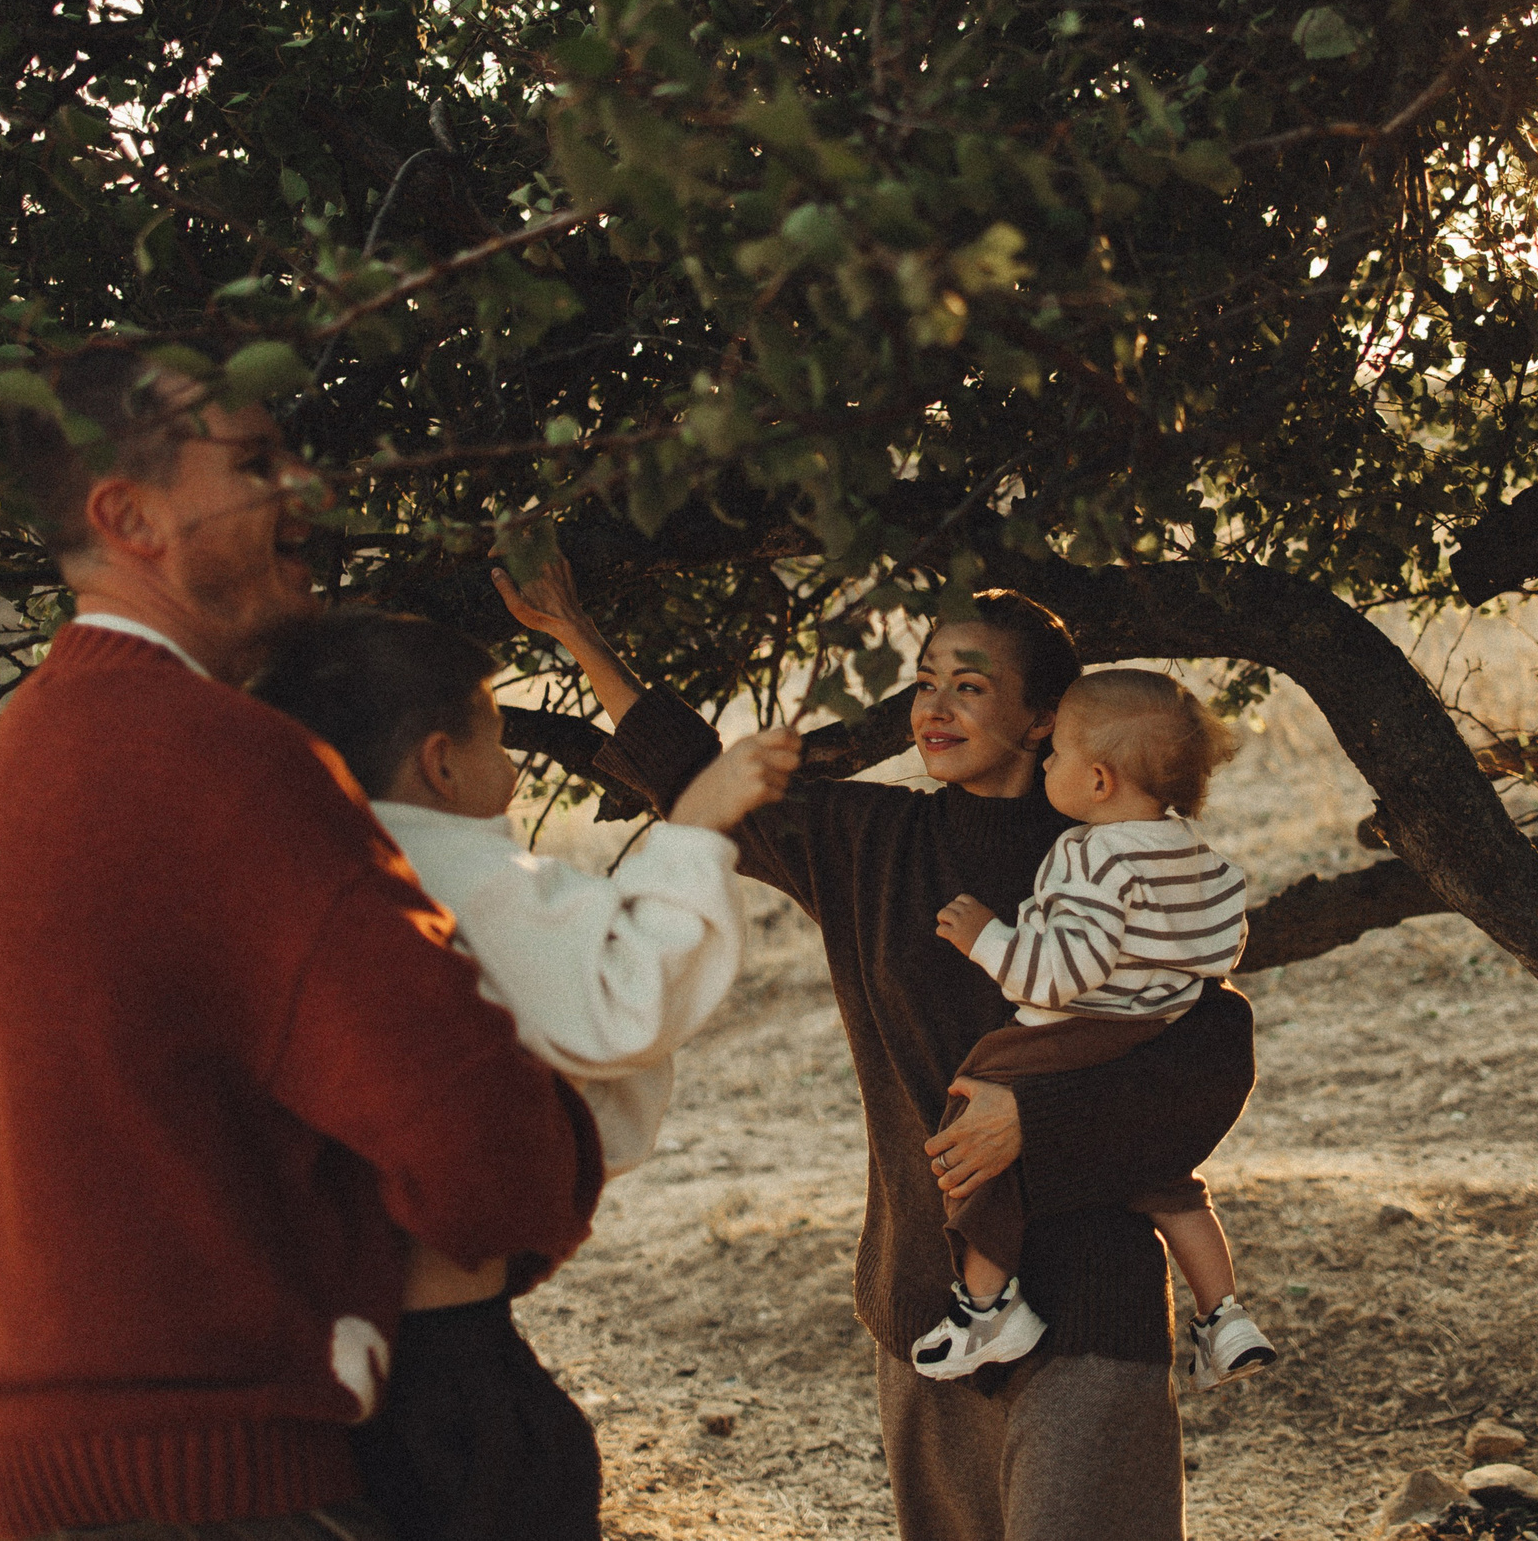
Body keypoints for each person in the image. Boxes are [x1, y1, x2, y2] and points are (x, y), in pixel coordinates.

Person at [0, 345, 598, 1541]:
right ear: (130, 517)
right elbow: (490, 1155)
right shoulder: (226, 761)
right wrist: (569, 1147)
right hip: (212, 1476)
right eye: (255, 462)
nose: (304, 486)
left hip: (29, 1469)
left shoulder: (14, 759)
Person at [498, 559, 1257, 1541]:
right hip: (925, 1311)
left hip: (1088, 1314)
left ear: (1043, 719)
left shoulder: (1112, 850)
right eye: (926, 680)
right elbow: (699, 778)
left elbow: (1212, 1050)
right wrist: (577, 634)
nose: (933, 708)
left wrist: (1034, 1118)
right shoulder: (871, 842)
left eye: (969, 686)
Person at [249, 605, 801, 1541]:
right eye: (499, 738)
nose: (512, 768)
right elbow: (622, 999)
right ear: (440, 762)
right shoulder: (451, 868)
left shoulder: (310, 867)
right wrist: (695, 828)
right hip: (444, 1349)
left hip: (337, 1340)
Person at [918, 668, 1277, 1391]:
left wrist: (986, 938)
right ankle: (1225, 1316)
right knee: (1169, 1182)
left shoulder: (1093, 854)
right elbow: (1222, 947)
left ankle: (988, 1307)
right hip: (1158, 1028)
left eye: (1057, 755)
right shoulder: (1191, 852)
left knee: (974, 1131)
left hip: (1074, 1030)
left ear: (1100, 780)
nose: (1046, 764)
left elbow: (1059, 974)